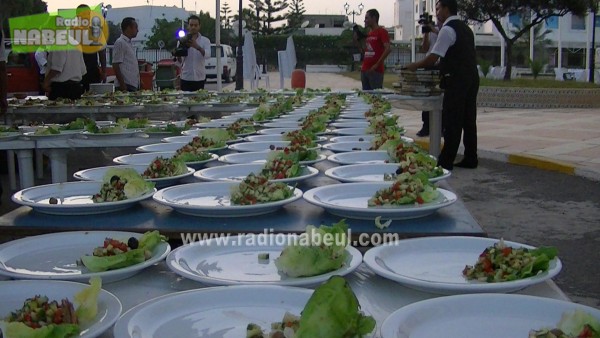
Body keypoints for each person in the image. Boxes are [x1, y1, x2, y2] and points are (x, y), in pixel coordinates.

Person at [405, 0, 479, 170]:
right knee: (468, 119)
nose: (436, 12)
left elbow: (433, 57)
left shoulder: (447, 29)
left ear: (446, 9)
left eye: (438, 8)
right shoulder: (465, 28)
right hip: (471, 77)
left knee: (453, 119)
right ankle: (470, 158)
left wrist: (414, 65)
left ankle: (446, 161)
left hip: (456, 79)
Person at [43, 23, 87, 101]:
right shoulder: (75, 43)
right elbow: (82, 70)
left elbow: (56, 68)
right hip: (76, 88)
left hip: (61, 89)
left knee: (59, 112)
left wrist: (46, 82)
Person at [416, 20, 440, 137]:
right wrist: (426, 32)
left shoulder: (445, 28)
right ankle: (426, 126)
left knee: (440, 96)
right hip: (429, 64)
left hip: (440, 64)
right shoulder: (430, 31)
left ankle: (441, 127)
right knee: (426, 96)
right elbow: (425, 48)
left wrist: (433, 29)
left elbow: (443, 38)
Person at [77, 4, 107, 92]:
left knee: (93, 97)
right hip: (76, 72)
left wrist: (104, 71)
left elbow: (102, 53)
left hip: (92, 70)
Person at [178, 15, 211, 91]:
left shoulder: (205, 40)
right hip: (186, 77)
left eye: (196, 25)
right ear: (188, 26)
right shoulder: (182, 40)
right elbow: (180, 62)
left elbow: (208, 55)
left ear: (199, 26)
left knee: (199, 100)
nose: (193, 27)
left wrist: (197, 47)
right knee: (186, 101)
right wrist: (178, 55)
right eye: (191, 25)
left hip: (200, 77)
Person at [360, 9, 391, 90]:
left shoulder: (382, 31)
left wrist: (377, 65)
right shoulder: (369, 33)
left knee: (375, 97)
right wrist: (357, 42)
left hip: (375, 71)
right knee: (366, 97)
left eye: (367, 18)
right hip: (365, 69)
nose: (365, 20)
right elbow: (366, 52)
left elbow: (388, 49)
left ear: (374, 18)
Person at [112, 17, 139, 92]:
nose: (137, 30)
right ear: (128, 28)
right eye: (135, 27)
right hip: (126, 85)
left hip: (132, 84)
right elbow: (115, 65)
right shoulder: (120, 42)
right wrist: (122, 85)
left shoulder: (128, 43)